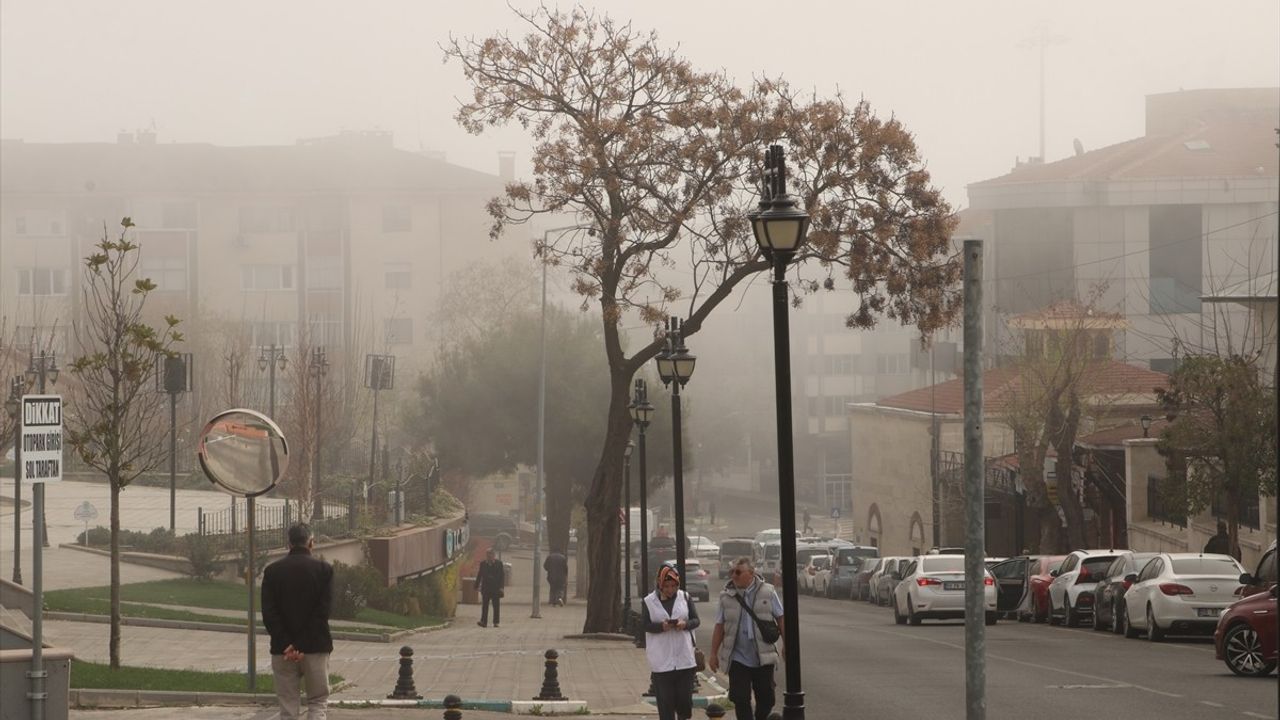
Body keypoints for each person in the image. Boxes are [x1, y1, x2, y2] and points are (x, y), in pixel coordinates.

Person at [261, 523, 333, 720]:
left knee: (288, 706)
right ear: (311, 543)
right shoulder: (324, 570)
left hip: (282, 651)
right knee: (317, 702)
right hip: (316, 646)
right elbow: (321, 612)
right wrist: (300, 643)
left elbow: (269, 613)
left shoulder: (272, 571)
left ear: (288, 544)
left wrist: (288, 644)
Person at [709, 557, 784, 720]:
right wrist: (713, 654)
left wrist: (787, 644)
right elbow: (719, 626)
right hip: (738, 657)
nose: (733, 576)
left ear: (751, 573)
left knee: (767, 700)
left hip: (762, 656)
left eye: (738, 572)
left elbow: (781, 618)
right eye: (731, 572)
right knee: (740, 698)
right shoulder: (725, 596)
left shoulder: (768, 592)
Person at [642, 564, 700, 720]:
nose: (670, 589)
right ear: (660, 583)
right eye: (666, 586)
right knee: (666, 702)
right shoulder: (649, 601)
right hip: (661, 659)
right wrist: (661, 626)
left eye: (673, 586)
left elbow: (696, 620)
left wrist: (685, 624)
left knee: (684, 700)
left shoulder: (685, 597)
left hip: (684, 658)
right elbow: (645, 625)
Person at [476, 548, 505, 627]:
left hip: (495, 588)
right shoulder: (483, 564)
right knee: (485, 605)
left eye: (491, 555)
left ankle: (496, 622)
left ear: (494, 555)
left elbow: (502, 576)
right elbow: (479, 575)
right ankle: (483, 622)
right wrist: (476, 585)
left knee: (496, 606)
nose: (489, 557)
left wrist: (501, 587)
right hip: (486, 588)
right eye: (488, 555)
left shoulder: (499, 564)